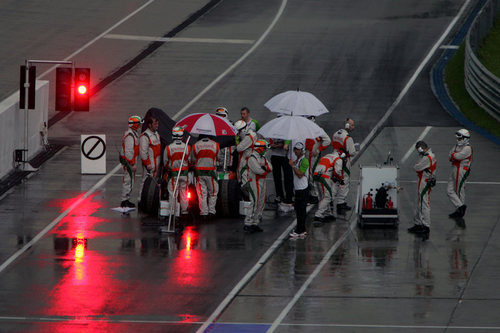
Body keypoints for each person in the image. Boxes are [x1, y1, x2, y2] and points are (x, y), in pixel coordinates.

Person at [408, 141, 437, 236]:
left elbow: (416, 167)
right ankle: (418, 223)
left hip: (425, 181)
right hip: (424, 180)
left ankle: (425, 225)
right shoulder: (429, 155)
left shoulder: (427, 157)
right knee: (420, 202)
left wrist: (417, 165)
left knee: (424, 204)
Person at [244, 139, 272, 233]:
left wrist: (265, 169)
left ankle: (255, 222)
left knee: (261, 202)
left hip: (262, 181)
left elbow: (270, 167)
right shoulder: (252, 158)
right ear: (260, 148)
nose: (266, 150)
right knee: (254, 202)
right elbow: (258, 171)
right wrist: (265, 170)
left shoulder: (262, 157)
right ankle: (248, 223)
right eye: (264, 148)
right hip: (254, 182)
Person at [163, 126, 191, 219]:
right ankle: (185, 212)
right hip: (184, 174)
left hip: (173, 175)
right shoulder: (187, 147)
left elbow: (165, 163)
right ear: (182, 136)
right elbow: (189, 161)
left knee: (172, 194)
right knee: (184, 194)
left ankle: (172, 213)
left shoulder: (168, 148)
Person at [331, 118, 358, 212]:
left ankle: (330, 200)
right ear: (347, 126)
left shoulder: (335, 134)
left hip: (334, 159)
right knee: (344, 181)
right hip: (344, 161)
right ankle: (341, 202)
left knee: (334, 180)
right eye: (352, 125)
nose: (353, 127)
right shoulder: (348, 138)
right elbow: (352, 152)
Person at [304, 116, 331, 203]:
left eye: (308, 118)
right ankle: (311, 193)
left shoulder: (318, 129)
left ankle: (315, 195)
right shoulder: (304, 128)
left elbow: (327, 140)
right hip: (306, 154)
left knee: (312, 174)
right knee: (307, 174)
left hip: (313, 156)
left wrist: (318, 150)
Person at [312, 151, 344, 224]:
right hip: (324, 177)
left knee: (322, 196)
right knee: (328, 197)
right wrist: (340, 179)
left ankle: (327, 213)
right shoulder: (338, 159)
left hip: (316, 175)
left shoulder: (327, 155)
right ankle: (318, 215)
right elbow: (337, 171)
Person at [192, 135, 220, 219]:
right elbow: (218, 158)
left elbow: (193, 160)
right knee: (213, 193)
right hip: (211, 172)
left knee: (201, 193)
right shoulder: (216, 145)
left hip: (199, 172)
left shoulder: (195, 145)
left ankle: (204, 213)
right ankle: (212, 212)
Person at [447, 129, 473, 218]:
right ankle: (460, 206)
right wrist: (454, 155)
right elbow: (450, 155)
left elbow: (457, 156)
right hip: (455, 168)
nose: (458, 140)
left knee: (459, 190)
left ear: (465, 138)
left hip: (461, 169)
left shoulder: (467, 148)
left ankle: (459, 210)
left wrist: (453, 155)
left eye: (460, 138)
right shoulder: (457, 146)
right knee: (449, 190)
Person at [120, 115, 142, 208]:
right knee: (128, 180)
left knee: (130, 180)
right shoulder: (130, 136)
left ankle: (127, 199)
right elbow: (129, 151)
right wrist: (132, 163)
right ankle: (124, 200)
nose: (140, 125)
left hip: (131, 160)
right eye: (139, 124)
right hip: (129, 162)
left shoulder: (133, 134)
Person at [289, 142, 309, 239]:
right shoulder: (298, 160)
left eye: (298, 149)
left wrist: (293, 166)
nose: (296, 151)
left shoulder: (304, 161)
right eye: (295, 149)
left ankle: (299, 229)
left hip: (302, 189)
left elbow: (300, 174)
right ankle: (302, 229)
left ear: (302, 150)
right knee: (299, 210)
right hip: (298, 188)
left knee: (301, 211)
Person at [139, 115, 161, 198]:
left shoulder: (156, 134)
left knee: (155, 183)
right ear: (150, 125)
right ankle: (141, 199)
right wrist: (148, 164)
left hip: (157, 166)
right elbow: (143, 153)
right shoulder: (145, 136)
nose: (157, 126)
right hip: (150, 166)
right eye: (155, 124)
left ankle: (151, 199)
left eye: (157, 124)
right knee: (145, 182)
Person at [269, 138, 294, 205]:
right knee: (277, 177)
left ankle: (289, 197)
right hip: (275, 155)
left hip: (285, 156)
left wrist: (284, 144)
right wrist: (273, 145)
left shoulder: (287, 130)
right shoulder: (273, 131)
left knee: (288, 177)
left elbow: (287, 143)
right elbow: (270, 144)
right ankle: (279, 195)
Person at [234, 119, 258, 186]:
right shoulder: (252, 134)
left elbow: (239, 148)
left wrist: (237, 140)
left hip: (245, 162)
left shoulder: (248, 137)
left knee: (243, 183)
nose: (238, 134)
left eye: (239, 131)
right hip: (249, 160)